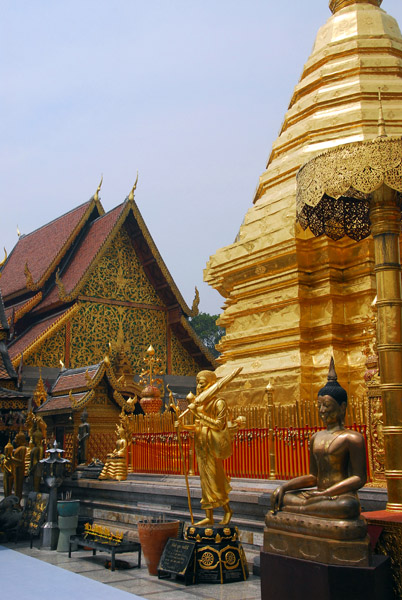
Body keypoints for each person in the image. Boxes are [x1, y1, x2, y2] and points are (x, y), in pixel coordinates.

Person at [270, 358, 367, 519]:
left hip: (340, 496)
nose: (322, 410)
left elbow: (359, 478)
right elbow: (314, 476)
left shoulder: (352, 438)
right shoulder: (316, 437)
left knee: (347, 507)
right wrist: (284, 487)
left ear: (342, 407)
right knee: (283, 498)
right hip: (318, 494)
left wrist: (327, 493)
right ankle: (308, 508)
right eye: (319, 405)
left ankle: (308, 510)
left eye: (327, 405)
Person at [179, 370, 244, 527]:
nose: (199, 386)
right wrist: (182, 426)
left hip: (212, 446)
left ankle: (227, 510)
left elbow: (218, 425)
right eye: (198, 383)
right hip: (201, 446)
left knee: (216, 481)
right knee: (205, 483)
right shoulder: (200, 404)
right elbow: (197, 427)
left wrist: (197, 413)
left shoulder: (219, 402)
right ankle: (209, 516)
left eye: (202, 382)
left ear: (211, 383)